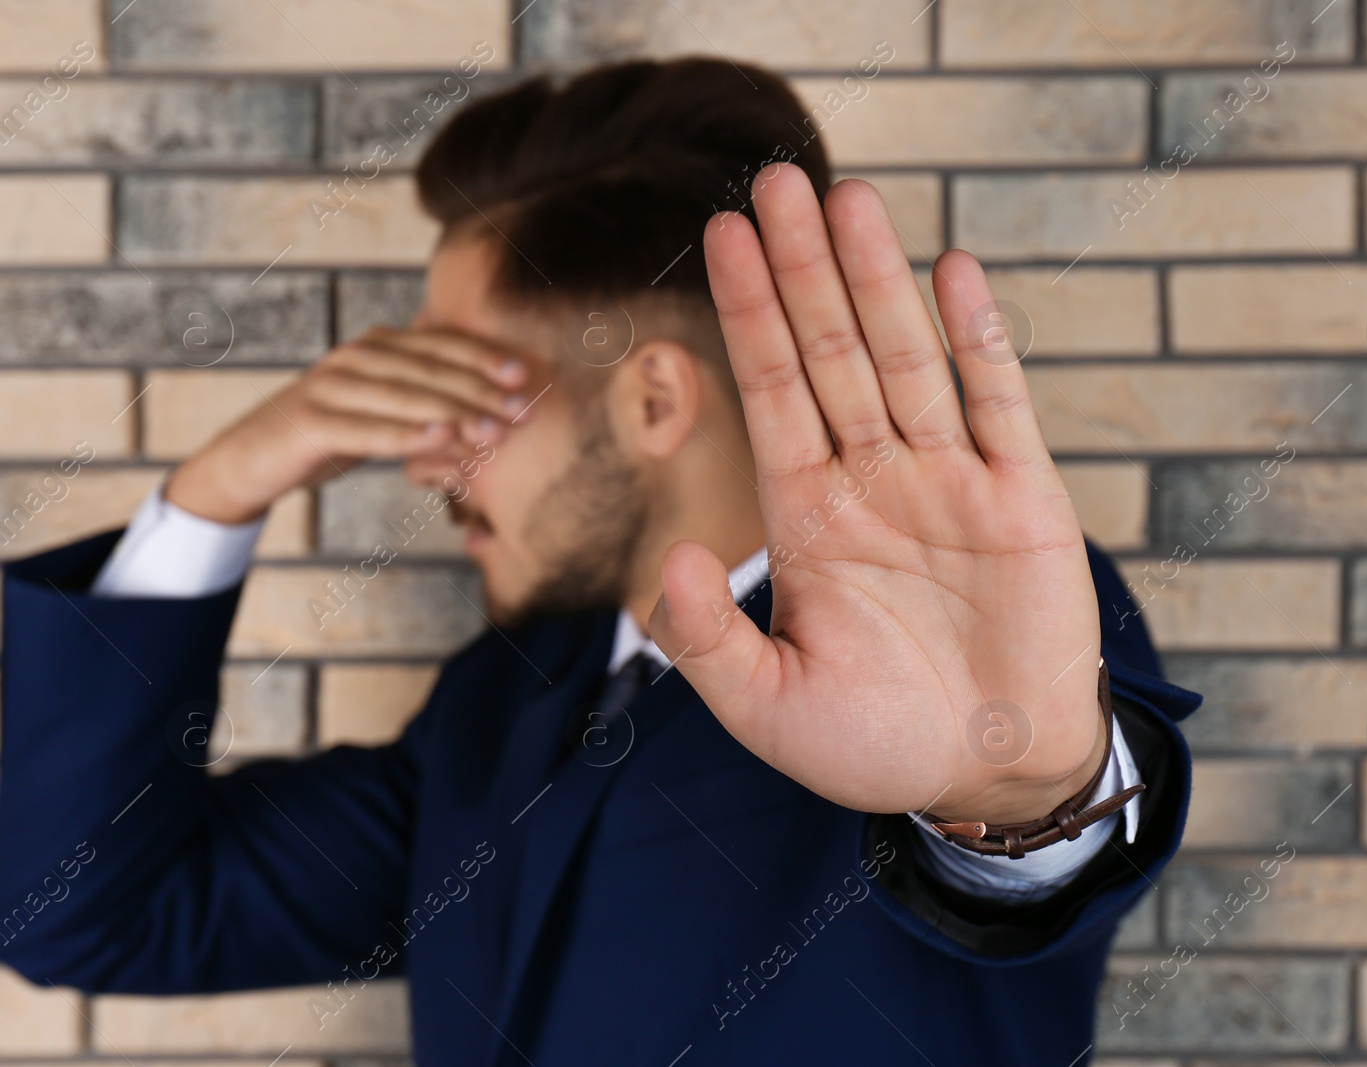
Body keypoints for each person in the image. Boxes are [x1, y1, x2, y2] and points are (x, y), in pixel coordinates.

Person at [0, 57, 1201, 1066]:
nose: (425, 460)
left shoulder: (967, 623)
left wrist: (1012, 800)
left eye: (462, 386)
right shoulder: (495, 705)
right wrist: (211, 497)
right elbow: (81, 912)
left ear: (650, 398)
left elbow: (1033, 821)